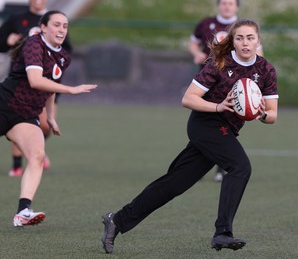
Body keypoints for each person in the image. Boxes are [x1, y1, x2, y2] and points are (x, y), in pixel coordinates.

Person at [101, 19, 278, 254]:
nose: (245, 43)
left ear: (259, 41)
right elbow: (188, 98)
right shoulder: (219, 63)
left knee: (175, 183)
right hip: (205, 124)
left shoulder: (265, 69)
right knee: (240, 166)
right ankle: (222, 233)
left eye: (250, 38)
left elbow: (272, 114)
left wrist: (258, 113)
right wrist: (218, 107)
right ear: (233, 41)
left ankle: (117, 221)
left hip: (226, 129)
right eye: (240, 38)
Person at [0, 10, 97, 226]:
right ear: (43, 27)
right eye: (56, 25)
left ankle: (23, 212)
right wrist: (71, 89)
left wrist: (51, 116)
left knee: (37, 155)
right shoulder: (34, 44)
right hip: (4, 104)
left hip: (27, 114)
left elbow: (49, 88)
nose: (62, 29)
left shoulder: (63, 57)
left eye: (65, 26)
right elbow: (36, 80)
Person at [188, 0, 263, 182]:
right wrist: (196, 54)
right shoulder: (206, 24)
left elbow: (259, 55)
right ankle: (196, 161)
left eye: (230, 3)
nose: (227, 6)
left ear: (236, 6)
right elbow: (193, 43)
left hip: (234, 82)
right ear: (219, 5)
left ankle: (222, 166)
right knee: (205, 120)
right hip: (207, 80)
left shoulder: (243, 28)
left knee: (228, 120)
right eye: (224, 3)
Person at [0, 0, 73, 177]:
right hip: (20, 84)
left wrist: (56, 79)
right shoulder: (17, 19)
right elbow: (2, 41)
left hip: (47, 86)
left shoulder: (54, 22)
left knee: (45, 125)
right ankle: (17, 165)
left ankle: (36, 152)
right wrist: (8, 40)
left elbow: (65, 51)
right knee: (17, 119)